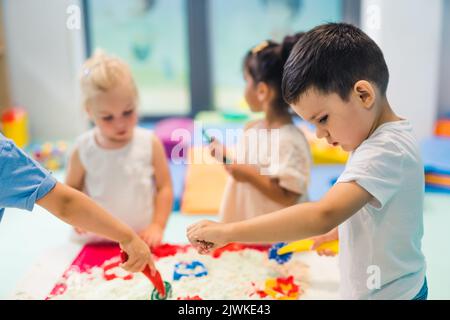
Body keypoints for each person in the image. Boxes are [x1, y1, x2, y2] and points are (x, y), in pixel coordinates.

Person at [188, 23, 427, 300]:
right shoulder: (374, 139)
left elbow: (322, 214)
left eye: (323, 119)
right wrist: (341, 232)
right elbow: (374, 209)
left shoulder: (385, 150)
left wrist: (227, 231)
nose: (320, 134)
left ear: (363, 95)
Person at [66, 50, 173, 247]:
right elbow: (71, 190)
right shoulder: (83, 148)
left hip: (140, 239)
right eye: (108, 117)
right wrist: (76, 218)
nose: (120, 123)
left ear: (136, 102)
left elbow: (164, 187)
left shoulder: (149, 143)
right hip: (94, 239)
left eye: (128, 112)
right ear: (89, 111)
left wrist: (157, 226)